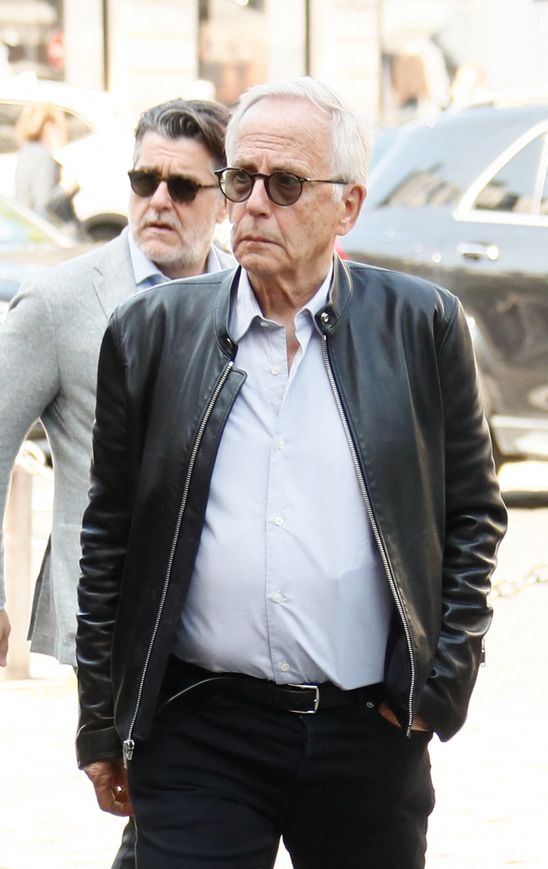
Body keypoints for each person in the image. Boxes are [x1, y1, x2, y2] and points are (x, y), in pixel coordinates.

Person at [76, 77, 507, 869]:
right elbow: (109, 535)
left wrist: (437, 687)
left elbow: (473, 513)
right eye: (240, 180)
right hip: (199, 721)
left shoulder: (423, 325)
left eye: (286, 184)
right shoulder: (151, 332)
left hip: (367, 732)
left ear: (348, 206)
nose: (254, 205)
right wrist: (103, 721)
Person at [0, 96, 234, 866]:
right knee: (174, 801)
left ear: (226, 195)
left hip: (231, 614)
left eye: (184, 186)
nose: (158, 200)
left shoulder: (249, 295)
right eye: (143, 180)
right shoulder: (60, 303)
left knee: (178, 811)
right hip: (117, 621)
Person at [14, 102, 81, 235]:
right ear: (48, 126)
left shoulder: (26, 152)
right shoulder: (44, 157)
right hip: (52, 234)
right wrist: (66, 187)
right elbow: (44, 203)